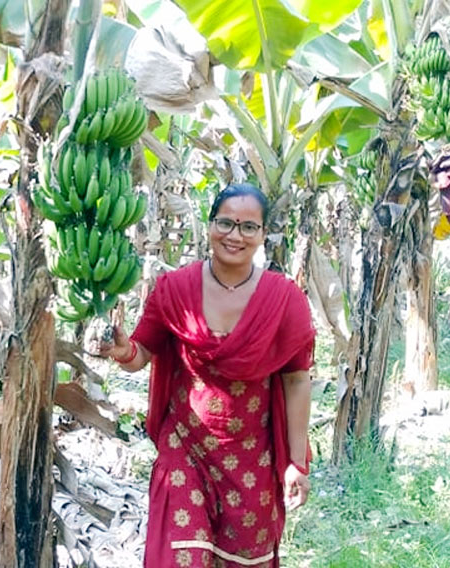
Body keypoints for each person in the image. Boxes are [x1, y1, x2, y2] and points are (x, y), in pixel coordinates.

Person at [101, 183, 315, 568]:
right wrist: (122, 352)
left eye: (248, 227)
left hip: (252, 457)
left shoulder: (284, 300)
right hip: (186, 448)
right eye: (226, 223)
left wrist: (295, 462)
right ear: (210, 224)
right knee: (181, 557)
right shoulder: (175, 289)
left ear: (263, 234)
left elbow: (296, 380)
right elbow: (141, 351)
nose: (235, 235)